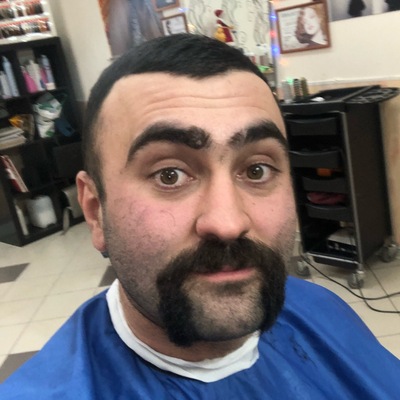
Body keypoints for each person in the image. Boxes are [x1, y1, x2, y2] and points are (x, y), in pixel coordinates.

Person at [1, 33, 400, 399]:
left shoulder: (320, 307)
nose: (228, 223)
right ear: (95, 211)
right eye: (169, 175)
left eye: (256, 170)